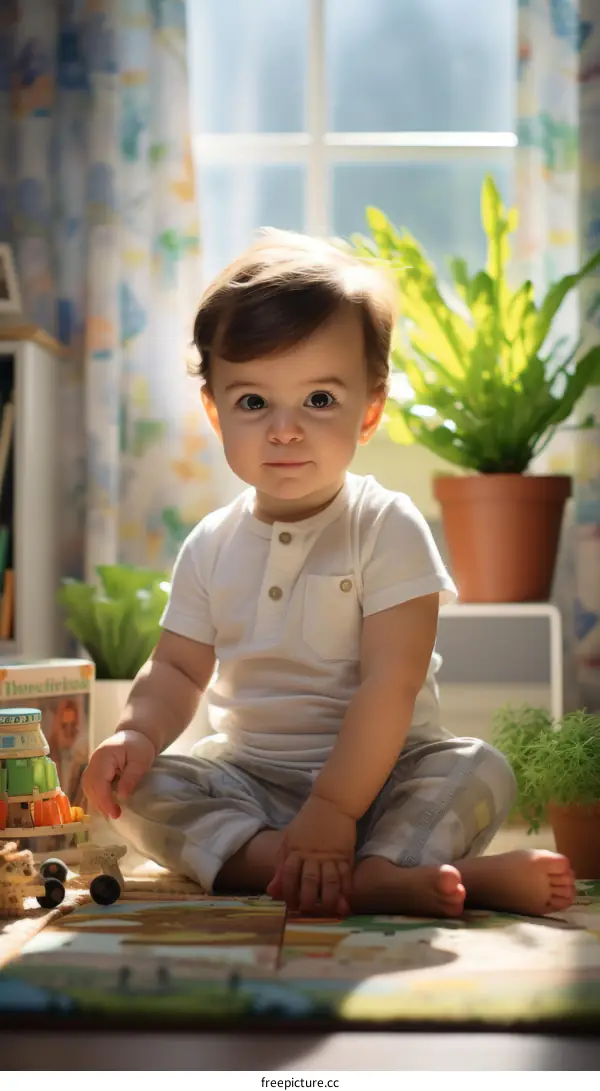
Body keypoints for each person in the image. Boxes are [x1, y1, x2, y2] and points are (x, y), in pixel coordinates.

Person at [82, 230, 575, 919]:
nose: (285, 429)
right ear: (214, 410)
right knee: (138, 791)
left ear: (369, 411)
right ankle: (375, 880)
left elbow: (390, 682)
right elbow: (176, 671)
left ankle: (358, 863)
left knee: (476, 767)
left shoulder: (386, 527)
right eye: (254, 402)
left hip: (385, 780)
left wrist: (336, 808)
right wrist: (135, 733)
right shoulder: (211, 544)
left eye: (318, 400)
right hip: (252, 784)